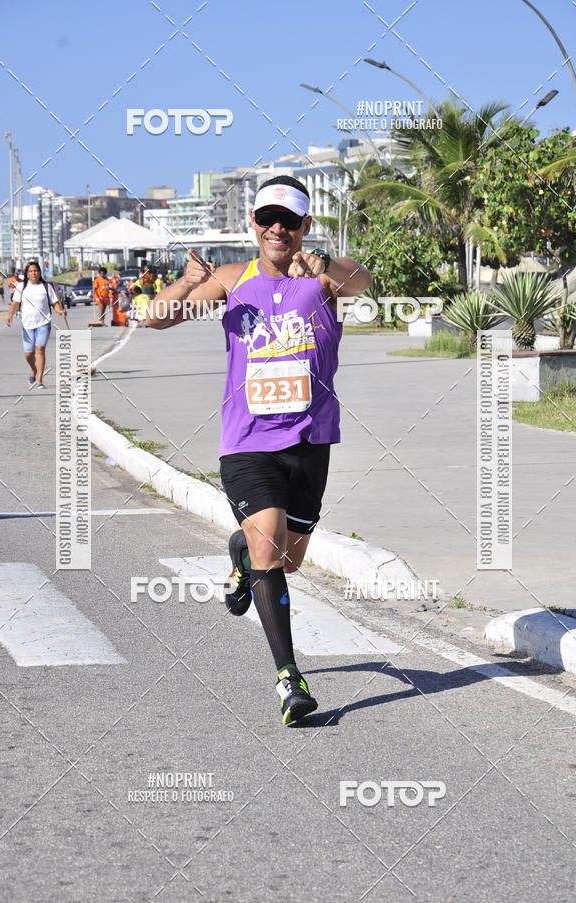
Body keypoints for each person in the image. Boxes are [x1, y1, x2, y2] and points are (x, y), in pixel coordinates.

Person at [147, 175, 371, 725]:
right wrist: (184, 283)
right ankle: (289, 678)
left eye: (289, 221)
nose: (277, 229)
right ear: (253, 223)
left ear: (304, 227)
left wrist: (325, 267)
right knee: (271, 546)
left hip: (309, 442)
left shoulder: (324, 282)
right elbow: (154, 317)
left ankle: (240, 555)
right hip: (246, 443)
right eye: (268, 218)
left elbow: (363, 281)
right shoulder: (230, 279)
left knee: (286, 561)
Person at [6, 259, 65, 388]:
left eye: (36, 271)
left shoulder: (46, 286)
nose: (33, 273)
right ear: (27, 273)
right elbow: (15, 303)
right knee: (28, 354)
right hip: (27, 324)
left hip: (44, 322)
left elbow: (54, 303)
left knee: (40, 349)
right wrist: (10, 316)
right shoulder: (21, 287)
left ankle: (39, 379)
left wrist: (60, 311)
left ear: (39, 272)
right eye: (31, 271)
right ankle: (33, 369)